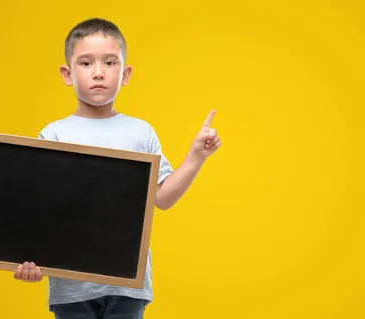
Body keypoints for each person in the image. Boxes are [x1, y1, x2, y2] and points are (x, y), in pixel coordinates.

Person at [11, 17, 221, 318]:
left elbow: (163, 199)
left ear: (125, 74)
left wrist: (196, 156)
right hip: (70, 288)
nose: (98, 72)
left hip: (127, 285)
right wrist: (26, 259)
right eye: (86, 63)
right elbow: (39, 211)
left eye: (110, 62)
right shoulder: (53, 135)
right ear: (67, 74)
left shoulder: (140, 132)